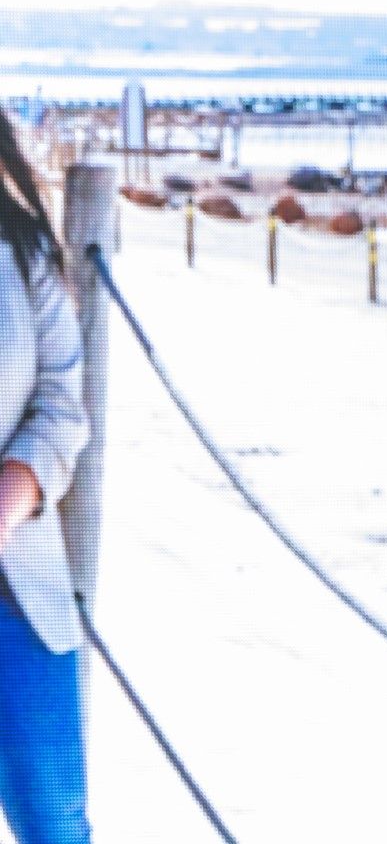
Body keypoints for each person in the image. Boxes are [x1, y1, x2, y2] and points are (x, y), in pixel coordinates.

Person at [0, 108, 93, 844]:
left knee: (53, 821)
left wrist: (12, 492)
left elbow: (64, 405)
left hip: (17, 584)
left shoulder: (22, 252)